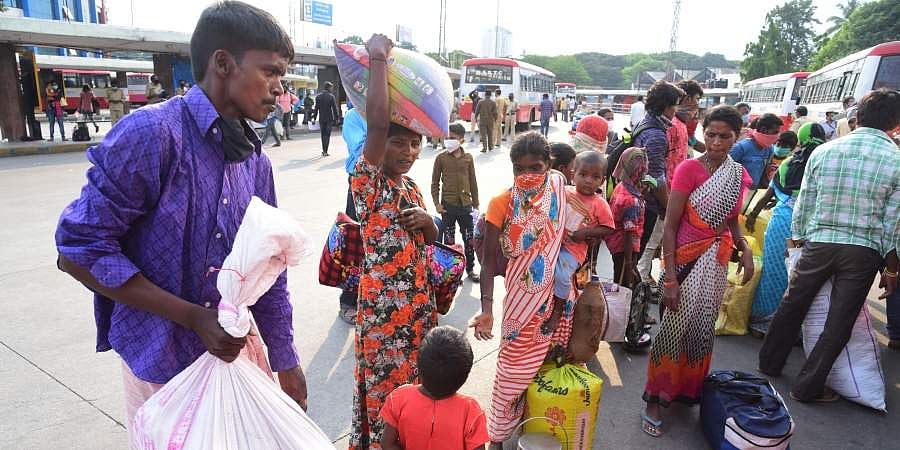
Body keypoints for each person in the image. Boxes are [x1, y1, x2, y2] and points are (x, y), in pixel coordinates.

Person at [53, 1, 308, 440]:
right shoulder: (152, 135)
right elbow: (77, 252)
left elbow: (269, 269)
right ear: (223, 64)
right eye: (270, 72)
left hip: (233, 358)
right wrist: (193, 317)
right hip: (160, 361)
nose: (278, 90)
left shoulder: (255, 163)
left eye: (282, 77)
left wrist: (285, 356)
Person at [758, 88, 899, 403]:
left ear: (857, 117)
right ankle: (807, 387)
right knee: (840, 319)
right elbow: (892, 225)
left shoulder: (824, 152)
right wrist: (891, 267)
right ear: (895, 123)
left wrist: (795, 241)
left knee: (793, 302)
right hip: (863, 251)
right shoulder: (896, 159)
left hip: (818, 243)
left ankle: (768, 363)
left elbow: (804, 202)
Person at [348, 34, 440, 449]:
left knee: (417, 390)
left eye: (414, 142)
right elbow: (380, 121)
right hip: (384, 314)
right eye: (398, 142)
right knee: (387, 393)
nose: (408, 150)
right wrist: (379, 58)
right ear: (378, 144)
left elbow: (431, 241)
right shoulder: (367, 181)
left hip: (418, 309)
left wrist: (429, 223)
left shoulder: (414, 187)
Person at [641, 105, 754, 437]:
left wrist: (744, 249)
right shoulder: (689, 169)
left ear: (738, 137)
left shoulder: (737, 173)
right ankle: (654, 399)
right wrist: (671, 278)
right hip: (685, 262)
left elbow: (732, 220)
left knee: (701, 330)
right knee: (671, 332)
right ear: (702, 133)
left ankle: (685, 391)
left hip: (716, 264)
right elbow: (671, 227)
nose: (716, 142)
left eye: (725, 136)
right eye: (711, 135)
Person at [471, 131, 572, 449]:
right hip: (519, 302)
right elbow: (488, 263)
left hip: (553, 300)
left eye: (535, 167)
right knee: (510, 372)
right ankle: (498, 436)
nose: (527, 175)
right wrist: (487, 310)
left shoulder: (556, 185)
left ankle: (533, 426)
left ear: (549, 165)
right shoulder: (501, 203)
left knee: (544, 367)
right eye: (519, 168)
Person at [745, 123, 826, 337]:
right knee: (801, 277)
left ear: (800, 140)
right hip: (811, 226)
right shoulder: (825, 164)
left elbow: (768, 194)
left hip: (781, 223)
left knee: (774, 271)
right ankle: (793, 328)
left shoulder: (789, 163)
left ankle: (761, 323)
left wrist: (752, 215)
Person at [380, 326, 489, 450]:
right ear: (465, 375)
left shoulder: (399, 398)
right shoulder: (471, 411)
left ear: (418, 368)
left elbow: (387, 443)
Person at [551, 151, 614, 330]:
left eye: (595, 177)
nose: (588, 180)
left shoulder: (599, 203)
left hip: (574, 250)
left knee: (562, 276)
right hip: (554, 244)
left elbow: (609, 228)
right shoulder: (565, 192)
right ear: (573, 175)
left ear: (602, 180)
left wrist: (586, 232)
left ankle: (558, 310)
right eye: (583, 174)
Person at [633, 81, 684, 259]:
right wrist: (668, 207)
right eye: (676, 105)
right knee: (637, 253)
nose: (676, 110)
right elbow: (656, 179)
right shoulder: (656, 135)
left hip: (638, 197)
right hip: (647, 204)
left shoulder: (644, 123)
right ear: (666, 106)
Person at [432, 123, 481, 281]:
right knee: (450, 241)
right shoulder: (441, 158)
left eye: (452, 138)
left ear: (461, 140)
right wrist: (437, 204)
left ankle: (470, 269)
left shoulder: (468, 158)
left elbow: (473, 181)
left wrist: (476, 203)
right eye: (447, 137)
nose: (448, 141)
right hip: (448, 206)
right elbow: (435, 183)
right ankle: (453, 273)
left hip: (466, 206)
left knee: (469, 239)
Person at [607, 148, 649, 287]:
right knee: (624, 285)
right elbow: (629, 234)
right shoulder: (631, 201)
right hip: (624, 249)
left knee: (621, 280)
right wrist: (629, 263)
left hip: (616, 243)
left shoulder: (621, 186)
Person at [730, 113, 783, 189]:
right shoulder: (741, 148)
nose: (777, 136)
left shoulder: (769, 149)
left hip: (752, 191)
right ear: (763, 130)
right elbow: (727, 171)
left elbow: (764, 172)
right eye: (775, 132)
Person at [314, 81, 340, 156]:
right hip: (329, 118)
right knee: (327, 135)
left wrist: (314, 118)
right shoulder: (331, 96)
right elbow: (334, 108)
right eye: (331, 87)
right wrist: (337, 118)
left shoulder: (318, 97)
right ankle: (325, 151)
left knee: (323, 135)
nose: (332, 89)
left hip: (321, 118)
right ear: (328, 88)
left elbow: (316, 108)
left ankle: (324, 150)